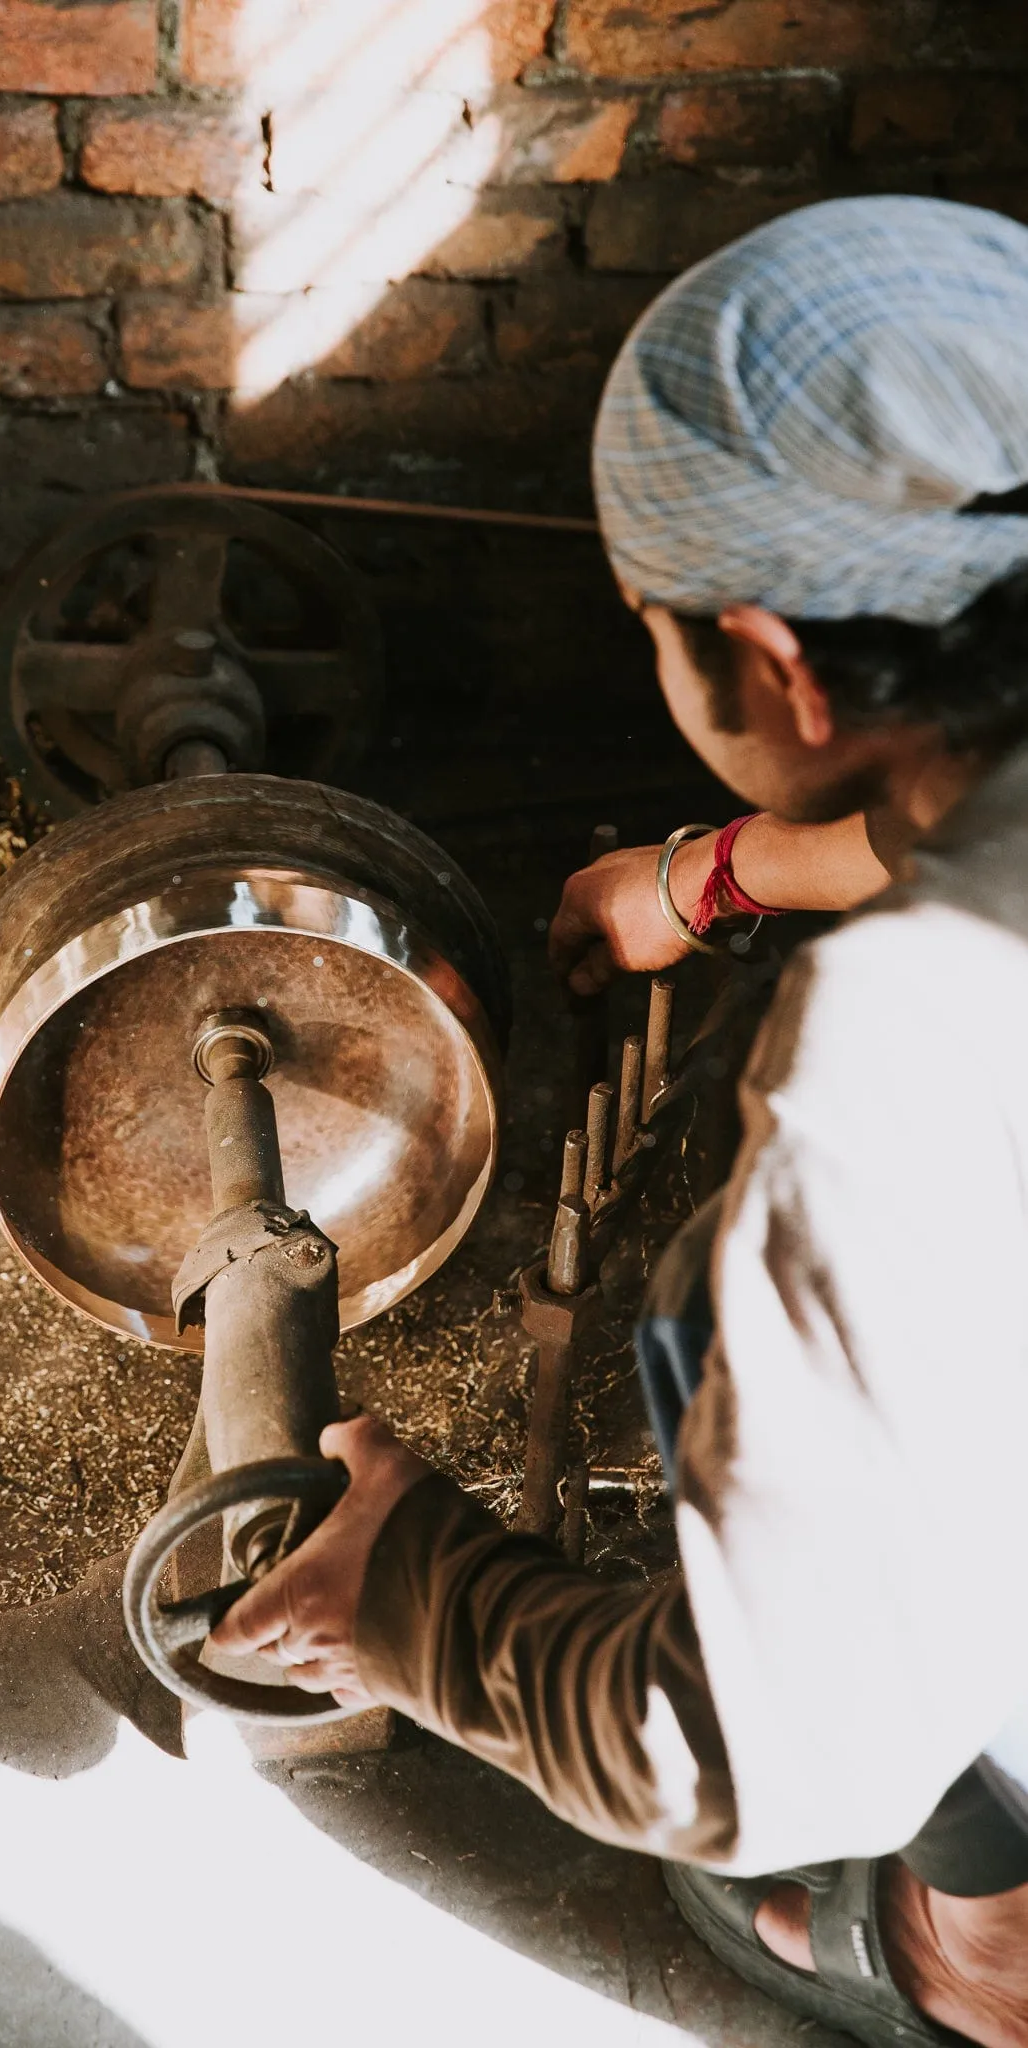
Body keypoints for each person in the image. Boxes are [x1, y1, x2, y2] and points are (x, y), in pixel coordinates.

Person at [211, 195, 1028, 2048]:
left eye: (657, 631)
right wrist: (720, 875)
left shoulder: (909, 1044)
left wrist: (410, 1588)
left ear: (771, 661)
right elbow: (963, 809)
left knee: (706, 1308)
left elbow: (744, 1745)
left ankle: (990, 1958)